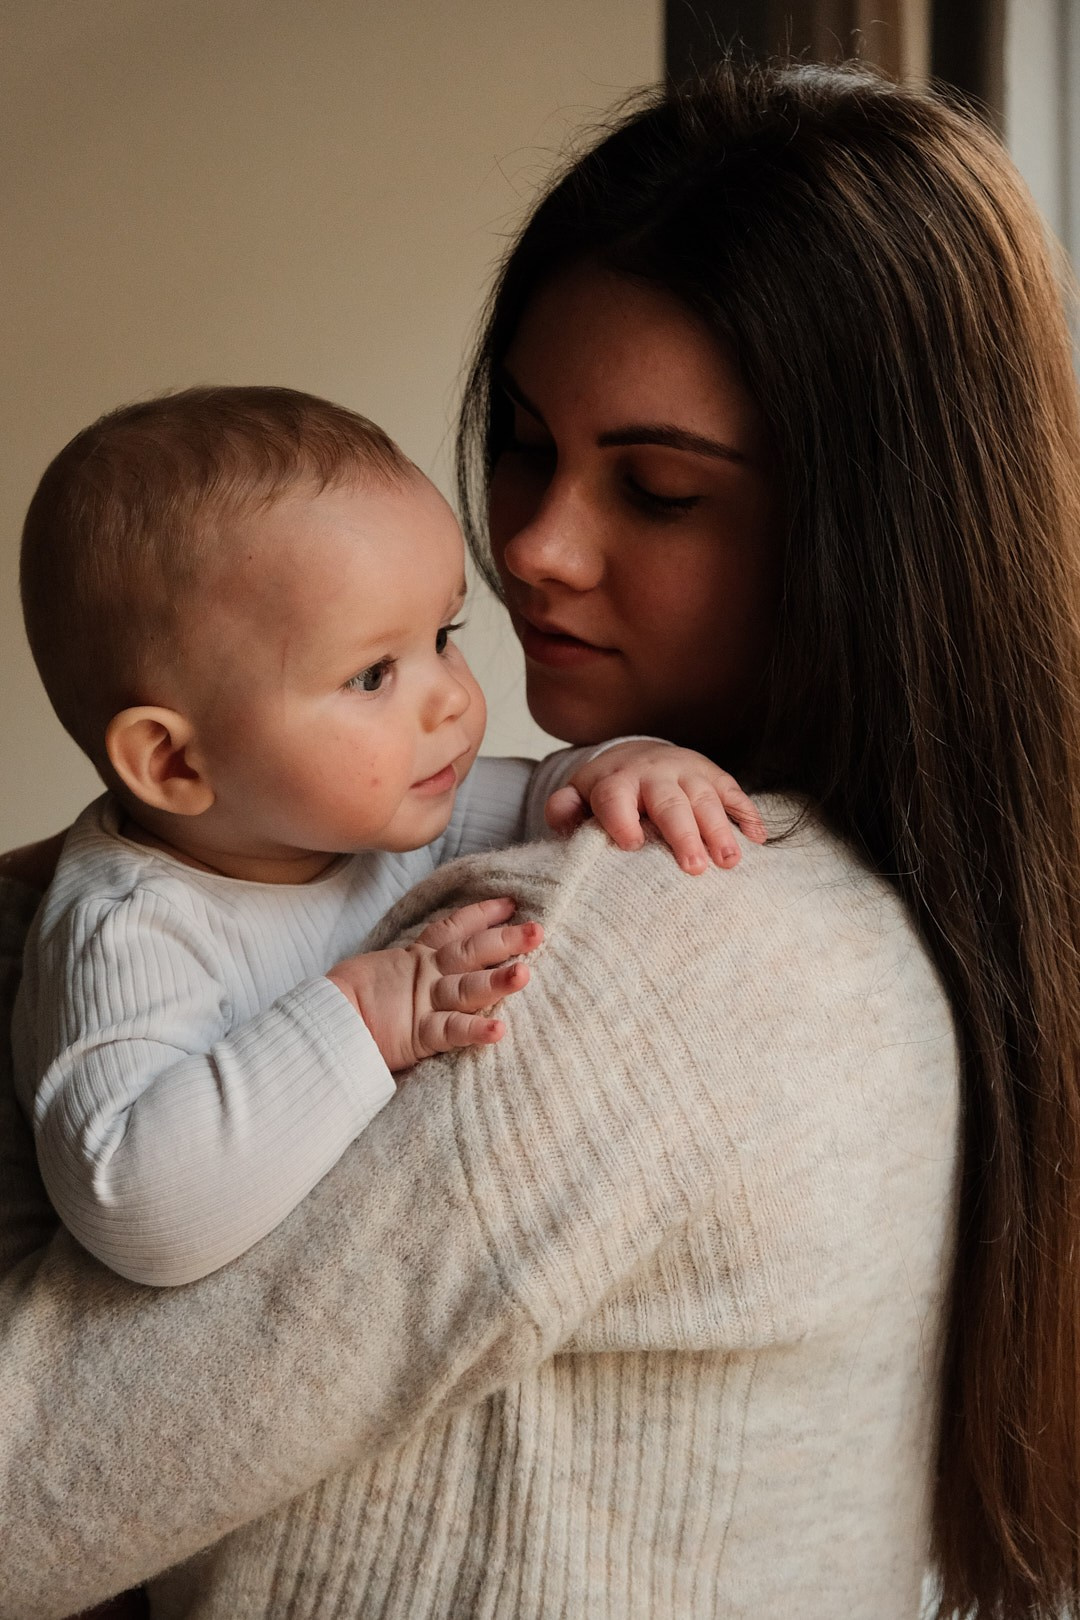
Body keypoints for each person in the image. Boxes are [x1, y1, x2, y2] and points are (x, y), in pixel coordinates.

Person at [2, 56, 1079, 1620]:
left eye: (654, 490)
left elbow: (33, 1492)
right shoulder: (888, 901)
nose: (527, 546)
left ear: (873, 533)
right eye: (519, 442)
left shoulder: (623, 948)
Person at [13, 385, 759, 1289]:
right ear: (172, 762)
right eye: (372, 675)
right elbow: (136, 1206)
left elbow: (540, 805)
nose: (450, 696)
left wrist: (618, 767)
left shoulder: (366, 811)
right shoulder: (131, 931)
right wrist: (368, 1015)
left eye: (442, 636)